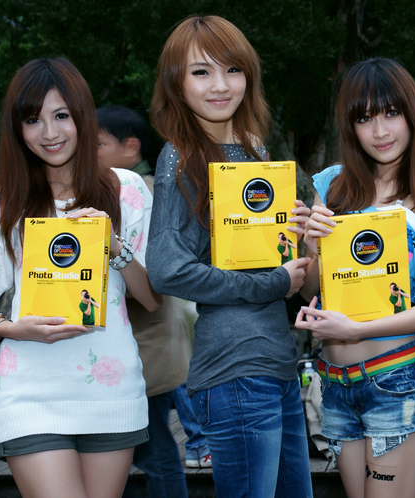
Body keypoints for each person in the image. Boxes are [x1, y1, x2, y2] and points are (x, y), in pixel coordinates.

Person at [0, 57, 161, 498]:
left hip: (111, 389)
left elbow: (151, 298)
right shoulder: (5, 201)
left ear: (82, 117)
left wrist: (115, 246)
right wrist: (15, 328)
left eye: (61, 116)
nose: (49, 133)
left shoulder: (127, 190)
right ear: (17, 129)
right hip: (29, 392)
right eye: (33, 120)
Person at [146, 15, 314, 498]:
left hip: (277, 362)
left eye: (232, 69)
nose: (220, 85)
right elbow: (167, 269)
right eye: (201, 72)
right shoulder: (181, 155)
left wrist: (297, 233)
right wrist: (273, 283)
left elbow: (260, 258)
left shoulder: (254, 151)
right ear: (176, 82)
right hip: (235, 368)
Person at [295, 57, 415, 498]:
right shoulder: (332, 185)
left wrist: (356, 330)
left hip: (395, 380)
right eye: (365, 118)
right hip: (334, 383)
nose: (380, 131)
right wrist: (311, 246)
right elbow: (311, 289)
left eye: (391, 113)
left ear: (412, 114)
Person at [97, 104, 200, 497]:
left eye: (98, 144)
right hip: (132, 347)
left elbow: (154, 275)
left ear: (131, 147)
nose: (87, 151)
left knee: (153, 449)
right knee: (138, 450)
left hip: (145, 346)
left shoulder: (145, 190)